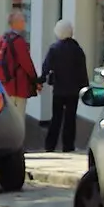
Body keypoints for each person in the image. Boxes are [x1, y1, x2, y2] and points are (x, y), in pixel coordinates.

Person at [40, 20, 88, 153]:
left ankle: (50, 145)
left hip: (59, 89)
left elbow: (46, 67)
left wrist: (40, 80)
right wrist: (85, 88)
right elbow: (82, 71)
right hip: (73, 90)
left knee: (56, 118)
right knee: (70, 118)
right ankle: (68, 145)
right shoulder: (77, 50)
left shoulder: (54, 49)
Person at [0, 12, 40, 116]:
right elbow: (27, 64)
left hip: (5, 85)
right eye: (22, 21)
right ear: (16, 23)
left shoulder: (3, 38)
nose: (24, 23)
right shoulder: (18, 41)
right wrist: (35, 81)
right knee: (18, 118)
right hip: (18, 86)